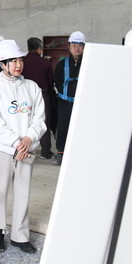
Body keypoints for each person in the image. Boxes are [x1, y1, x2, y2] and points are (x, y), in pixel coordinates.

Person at [0, 40, 46, 254]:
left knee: (23, 191)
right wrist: (16, 142)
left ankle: (20, 236)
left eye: (20, 60)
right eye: (13, 61)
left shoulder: (31, 87)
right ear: (2, 64)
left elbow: (39, 119)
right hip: (2, 149)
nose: (18, 65)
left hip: (26, 149)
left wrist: (28, 139)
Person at [52, 31, 85, 166]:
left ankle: (80, 153)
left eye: (80, 45)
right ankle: (61, 153)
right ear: (69, 46)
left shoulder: (89, 63)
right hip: (65, 102)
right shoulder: (62, 64)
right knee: (63, 127)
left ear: (84, 47)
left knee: (81, 127)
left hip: (83, 103)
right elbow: (57, 81)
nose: (77, 48)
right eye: (74, 45)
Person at [22, 37, 55, 159]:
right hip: (42, 95)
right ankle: (45, 151)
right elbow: (50, 82)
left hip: (24, 96)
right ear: (39, 49)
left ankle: (24, 149)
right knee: (43, 122)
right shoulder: (45, 63)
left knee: (24, 121)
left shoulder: (22, 61)